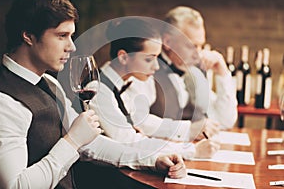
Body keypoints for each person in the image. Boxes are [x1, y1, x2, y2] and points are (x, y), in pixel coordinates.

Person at [0, 0, 186, 188]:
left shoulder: (49, 83)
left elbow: (89, 143)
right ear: (28, 35)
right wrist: (71, 141)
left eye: (71, 36)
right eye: (62, 35)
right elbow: (14, 186)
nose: (71, 46)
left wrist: (152, 159)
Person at [88, 17, 220, 161]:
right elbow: (130, 141)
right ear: (124, 57)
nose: (156, 67)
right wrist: (192, 150)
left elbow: (142, 122)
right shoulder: (99, 91)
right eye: (149, 59)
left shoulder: (124, 83)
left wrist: (188, 130)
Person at [150, 6, 237, 132]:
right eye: (192, 46)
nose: (198, 53)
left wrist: (222, 72)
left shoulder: (195, 74)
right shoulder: (147, 72)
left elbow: (224, 121)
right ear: (167, 41)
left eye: (201, 46)